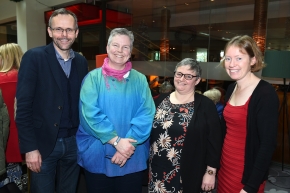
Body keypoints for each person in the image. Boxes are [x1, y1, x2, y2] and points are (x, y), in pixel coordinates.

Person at [15, 8, 88, 193]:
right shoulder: (34, 57)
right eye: (58, 29)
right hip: (43, 145)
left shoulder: (80, 62)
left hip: (74, 143)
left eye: (69, 30)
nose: (64, 35)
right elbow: (23, 108)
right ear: (49, 31)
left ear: (76, 32)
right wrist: (30, 148)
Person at [76, 28, 155, 193]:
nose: (120, 51)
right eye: (116, 45)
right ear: (107, 47)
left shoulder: (140, 80)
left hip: (132, 155)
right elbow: (89, 115)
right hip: (98, 154)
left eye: (125, 47)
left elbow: (146, 114)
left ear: (131, 51)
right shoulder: (92, 79)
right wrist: (117, 142)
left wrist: (126, 147)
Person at [148, 58, 222, 193]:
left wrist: (211, 172)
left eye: (189, 76)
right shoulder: (160, 100)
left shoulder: (206, 106)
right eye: (179, 74)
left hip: (188, 173)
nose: (182, 79)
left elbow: (214, 142)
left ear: (197, 80)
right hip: (158, 171)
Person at [217, 35, 279, 193]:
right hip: (225, 168)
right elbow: (226, 131)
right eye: (228, 58)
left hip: (247, 175)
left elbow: (267, 145)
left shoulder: (265, 94)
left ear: (253, 60)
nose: (232, 64)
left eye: (239, 58)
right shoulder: (231, 88)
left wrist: (251, 187)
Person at [0, 43, 24, 190]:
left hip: (4, 141)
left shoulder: (1, 80)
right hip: (24, 139)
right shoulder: (27, 79)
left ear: (6, 58)